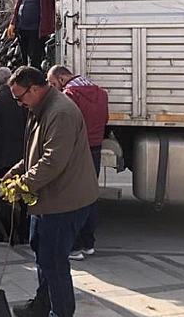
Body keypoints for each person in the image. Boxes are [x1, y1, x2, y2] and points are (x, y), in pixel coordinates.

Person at [6, 66, 99, 317]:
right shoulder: (40, 107)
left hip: (64, 201)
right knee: (42, 254)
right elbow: (36, 151)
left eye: (19, 97)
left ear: (34, 89)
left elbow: (52, 161)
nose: (18, 103)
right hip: (48, 199)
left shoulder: (60, 112)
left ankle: (60, 312)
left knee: (55, 263)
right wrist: (16, 171)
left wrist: (21, 185)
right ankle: (41, 305)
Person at [47, 65, 109, 261]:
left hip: (77, 150)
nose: (53, 88)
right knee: (90, 195)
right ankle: (88, 243)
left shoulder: (69, 95)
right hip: (96, 147)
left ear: (62, 78)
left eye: (53, 83)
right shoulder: (101, 93)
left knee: (72, 197)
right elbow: (105, 119)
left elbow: (66, 125)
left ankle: (73, 247)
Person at [7, 0, 63, 69]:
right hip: (22, 27)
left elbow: (60, 5)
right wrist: (13, 23)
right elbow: (18, 3)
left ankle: (35, 84)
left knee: (35, 61)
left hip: (38, 29)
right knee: (23, 60)